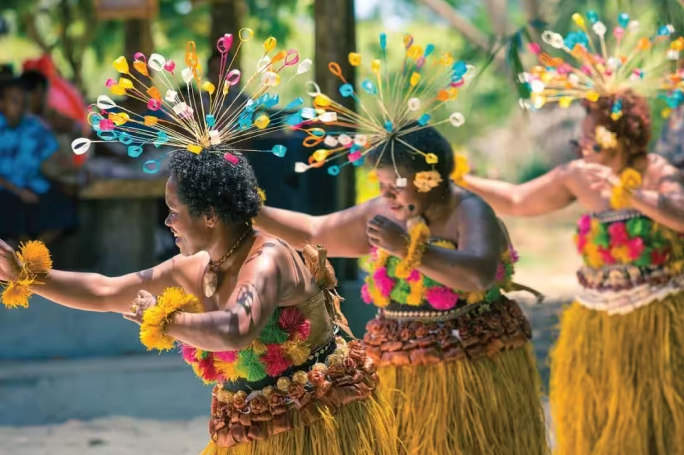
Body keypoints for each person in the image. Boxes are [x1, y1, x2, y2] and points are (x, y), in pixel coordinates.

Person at [0, 150, 396, 455]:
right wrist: (27, 276)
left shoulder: (267, 259)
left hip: (322, 423)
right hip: (251, 425)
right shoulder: (194, 266)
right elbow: (106, 291)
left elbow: (236, 328)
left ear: (209, 215)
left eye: (174, 212)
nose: (168, 222)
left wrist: (163, 320)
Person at [255, 123, 548, 455]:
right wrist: (253, 210)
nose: (387, 195)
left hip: (471, 359)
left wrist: (409, 248)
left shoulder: (469, 209)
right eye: (381, 185)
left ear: (430, 177)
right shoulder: (384, 211)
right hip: (399, 361)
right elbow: (315, 230)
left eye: (396, 186)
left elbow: (478, 275)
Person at [464, 13, 684, 455]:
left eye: (592, 140)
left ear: (622, 137)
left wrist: (633, 196)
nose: (584, 147)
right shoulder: (578, 175)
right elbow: (517, 199)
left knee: (654, 420)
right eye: (582, 139)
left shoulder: (657, 173)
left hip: (657, 318)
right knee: (601, 419)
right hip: (597, 319)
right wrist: (460, 178)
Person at [0, 77, 78, 246]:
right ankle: (20, 255)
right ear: (1, 103)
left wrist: (71, 166)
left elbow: (55, 154)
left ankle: (29, 257)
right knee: (10, 212)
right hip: (6, 189)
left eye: (22, 102)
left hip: (34, 186)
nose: (20, 107)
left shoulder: (34, 126)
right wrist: (19, 192)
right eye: (14, 101)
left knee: (64, 211)